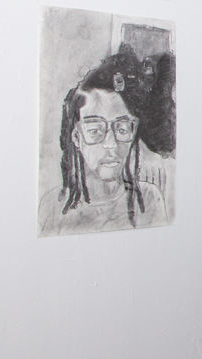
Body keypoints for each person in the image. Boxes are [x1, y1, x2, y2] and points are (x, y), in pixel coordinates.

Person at [39, 48, 174, 236]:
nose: (111, 144)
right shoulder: (52, 207)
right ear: (76, 137)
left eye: (122, 129)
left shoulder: (149, 199)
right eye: (95, 130)